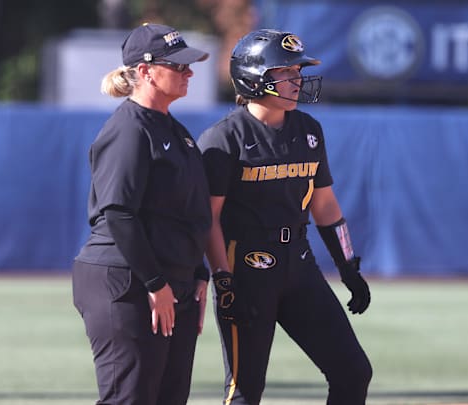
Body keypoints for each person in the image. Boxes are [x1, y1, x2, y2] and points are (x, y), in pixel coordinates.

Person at [197, 29, 373, 405]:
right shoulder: (223, 139)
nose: (297, 80)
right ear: (253, 76)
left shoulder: (309, 130)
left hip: (299, 264)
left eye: (298, 72)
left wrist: (347, 267)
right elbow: (207, 219)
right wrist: (223, 279)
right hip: (246, 268)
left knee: (353, 372)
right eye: (286, 72)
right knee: (245, 391)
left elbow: (324, 205)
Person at [71, 23, 212, 405]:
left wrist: (198, 273)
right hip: (126, 282)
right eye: (179, 66)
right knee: (129, 399)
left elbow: (186, 212)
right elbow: (118, 213)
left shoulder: (174, 130)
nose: (189, 73)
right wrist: (155, 284)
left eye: (188, 65)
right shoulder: (129, 129)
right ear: (146, 72)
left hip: (169, 283)